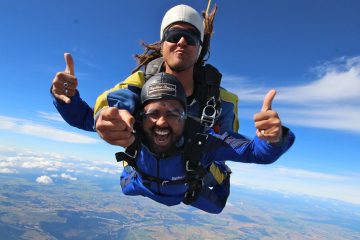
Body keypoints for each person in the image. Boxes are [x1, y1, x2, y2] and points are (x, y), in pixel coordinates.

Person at [51, 4, 241, 143]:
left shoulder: (220, 102)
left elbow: (237, 147)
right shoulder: (139, 86)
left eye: (191, 38)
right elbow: (87, 118)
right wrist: (66, 98)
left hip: (193, 188)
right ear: (163, 44)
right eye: (173, 36)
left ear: (199, 48)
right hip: (144, 180)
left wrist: (269, 141)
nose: (182, 42)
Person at [117, 72, 295, 214]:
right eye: (153, 113)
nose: (162, 122)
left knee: (217, 207)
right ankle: (130, 166)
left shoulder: (203, 139)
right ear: (141, 117)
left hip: (185, 192)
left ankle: (222, 174)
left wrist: (272, 139)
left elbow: (256, 153)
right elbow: (89, 118)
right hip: (140, 183)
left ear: (185, 118)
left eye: (173, 114)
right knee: (123, 188)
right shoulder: (132, 127)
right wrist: (104, 114)